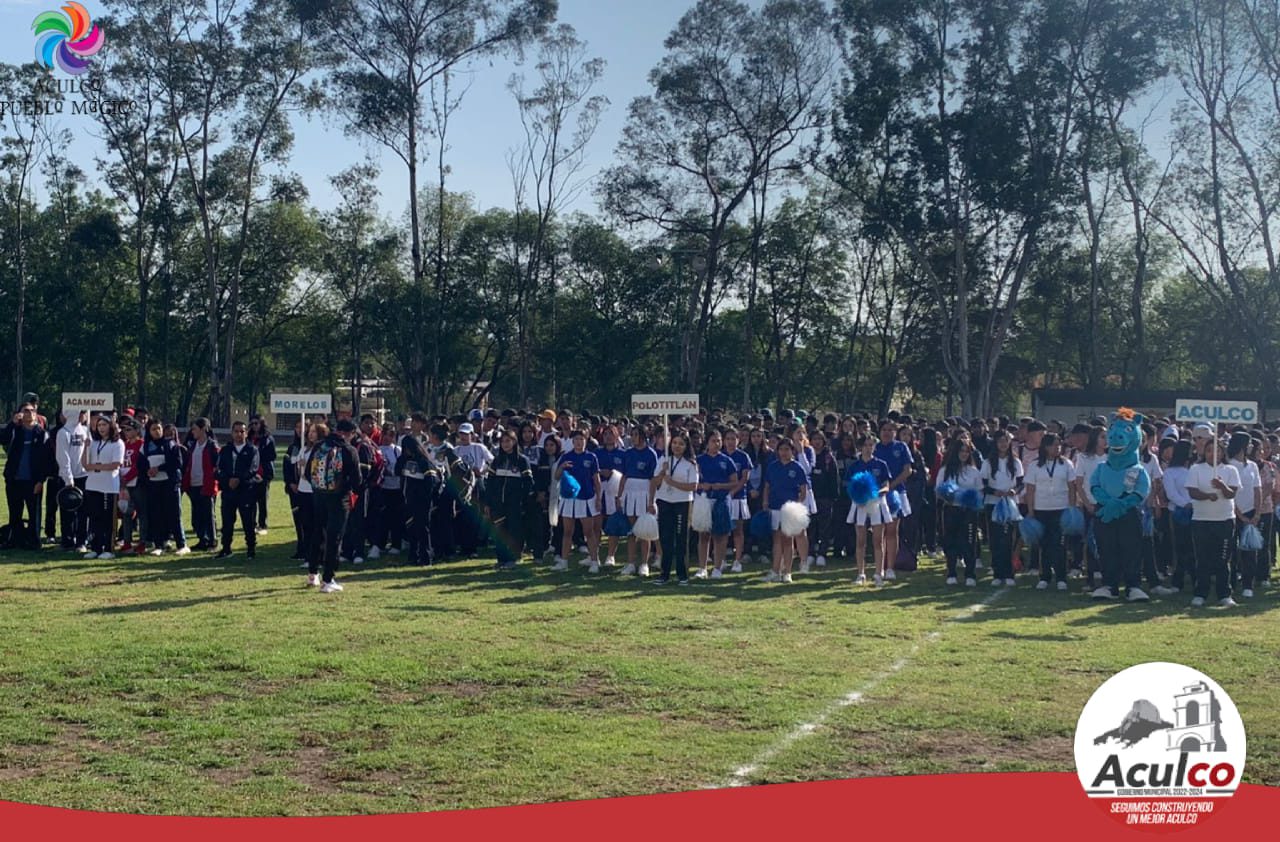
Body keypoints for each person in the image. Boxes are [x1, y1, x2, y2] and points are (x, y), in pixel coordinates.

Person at [304, 421, 361, 592]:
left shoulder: (319, 446)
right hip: (339, 498)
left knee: (317, 533)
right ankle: (328, 579)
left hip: (319, 496)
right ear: (349, 433)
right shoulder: (349, 450)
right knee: (334, 538)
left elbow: (307, 472)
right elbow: (357, 481)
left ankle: (313, 573)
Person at [1186, 427, 1239, 608]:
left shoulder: (1230, 469)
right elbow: (1192, 491)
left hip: (1224, 520)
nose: (1212, 454)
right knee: (1202, 558)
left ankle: (1224, 594)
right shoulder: (1196, 468)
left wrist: (1222, 486)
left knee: (1223, 559)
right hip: (1202, 520)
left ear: (1222, 452)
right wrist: (1207, 496)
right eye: (1209, 450)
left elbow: (1232, 493)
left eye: (1216, 451)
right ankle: (1201, 593)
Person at [1023, 433, 1077, 591]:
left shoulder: (1066, 464)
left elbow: (1072, 487)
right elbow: (1030, 489)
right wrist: (1031, 510)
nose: (1058, 447)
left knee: (1060, 544)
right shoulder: (1035, 465)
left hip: (1061, 508)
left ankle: (1061, 577)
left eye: (1059, 444)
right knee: (1044, 545)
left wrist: (1072, 507)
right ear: (1046, 447)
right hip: (1041, 509)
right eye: (1054, 445)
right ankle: (1044, 576)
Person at [651, 432, 699, 586]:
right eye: (675, 443)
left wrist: (673, 483)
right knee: (665, 538)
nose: (677, 446)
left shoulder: (690, 464)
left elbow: (693, 486)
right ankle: (664, 573)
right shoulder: (664, 459)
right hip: (665, 501)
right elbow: (655, 482)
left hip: (682, 503)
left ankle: (682, 574)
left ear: (686, 447)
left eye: (681, 444)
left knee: (681, 539)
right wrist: (662, 472)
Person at [693, 429, 741, 579]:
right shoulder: (699, 460)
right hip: (704, 501)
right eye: (713, 441)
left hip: (721, 501)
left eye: (719, 441)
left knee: (720, 535)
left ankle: (717, 568)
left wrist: (721, 485)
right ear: (707, 442)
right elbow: (692, 481)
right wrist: (702, 486)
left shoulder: (727, 460)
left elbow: (734, 482)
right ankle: (702, 568)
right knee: (703, 534)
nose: (717, 444)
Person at [2, 403, 50, 550]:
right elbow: (3, 439)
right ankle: (15, 540)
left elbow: (45, 460)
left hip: (33, 481)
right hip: (14, 480)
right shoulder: (15, 431)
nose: (29, 414)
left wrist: (41, 481)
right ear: (20, 414)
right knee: (15, 512)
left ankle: (34, 541)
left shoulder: (41, 434)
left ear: (36, 414)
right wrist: (12, 423)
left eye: (32, 411)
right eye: (25, 411)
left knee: (34, 513)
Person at [552, 429, 602, 572]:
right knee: (567, 531)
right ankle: (564, 561)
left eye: (582, 439)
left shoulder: (591, 457)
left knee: (589, 531)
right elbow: (556, 476)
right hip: (569, 499)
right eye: (576, 439)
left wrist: (598, 498)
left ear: (586, 441)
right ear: (572, 442)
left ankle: (594, 561)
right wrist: (562, 467)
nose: (579, 442)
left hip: (586, 498)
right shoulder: (566, 457)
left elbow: (596, 481)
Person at [847, 433, 892, 586]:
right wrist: (859, 498)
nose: (868, 448)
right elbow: (849, 486)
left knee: (878, 540)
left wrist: (878, 493)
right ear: (860, 447)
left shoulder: (881, 464)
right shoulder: (855, 466)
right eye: (865, 445)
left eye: (871, 445)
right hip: (859, 505)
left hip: (877, 504)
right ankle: (861, 573)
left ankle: (879, 573)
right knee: (860, 540)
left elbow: (886, 484)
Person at [485, 429, 534, 569]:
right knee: (500, 531)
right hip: (498, 503)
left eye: (508, 441)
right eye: (502, 441)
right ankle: (501, 559)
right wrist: (488, 503)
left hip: (515, 503)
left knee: (514, 530)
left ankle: (514, 558)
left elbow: (528, 483)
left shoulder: (522, 461)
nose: (505, 444)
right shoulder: (497, 461)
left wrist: (523, 500)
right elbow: (490, 483)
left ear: (514, 442)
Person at [937, 438, 982, 586]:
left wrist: (972, 500)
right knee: (951, 541)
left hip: (968, 511)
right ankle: (951, 572)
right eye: (961, 451)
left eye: (966, 451)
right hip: (950, 509)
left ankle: (970, 574)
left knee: (969, 541)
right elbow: (938, 490)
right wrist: (947, 495)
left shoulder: (974, 471)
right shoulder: (945, 470)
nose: (964, 454)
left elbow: (979, 491)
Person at [762, 439, 808, 584]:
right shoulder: (772, 467)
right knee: (776, 540)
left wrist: (796, 507)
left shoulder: (797, 467)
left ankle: (787, 572)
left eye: (787, 449)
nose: (784, 452)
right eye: (781, 449)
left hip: (789, 510)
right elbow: (767, 487)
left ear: (792, 451)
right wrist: (765, 501)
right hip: (775, 507)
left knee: (788, 540)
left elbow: (803, 490)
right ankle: (775, 570)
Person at [397, 414, 440, 568]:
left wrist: (428, 497)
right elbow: (398, 470)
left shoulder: (424, 460)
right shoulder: (404, 458)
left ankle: (425, 557)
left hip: (423, 497)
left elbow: (431, 479)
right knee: (411, 525)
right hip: (409, 494)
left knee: (423, 527)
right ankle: (412, 556)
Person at [982, 430, 1023, 587]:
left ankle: (1009, 572)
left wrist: (1013, 491)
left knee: (1008, 539)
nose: (1003, 444)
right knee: (995, 539)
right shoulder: (988, 462)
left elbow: (1021, 483)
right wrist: (994, 492)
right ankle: (997, 573)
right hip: (993, 503)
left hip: (1010, 504)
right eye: (1000, 441)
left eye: (1006, 441)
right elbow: (983, 484)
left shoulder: (1016, 462)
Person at [874, 420, 914, 581]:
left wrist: (891, 486)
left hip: (896, 494)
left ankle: (890, 567)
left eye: (891, 430)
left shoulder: (901, 447)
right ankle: (879, 566)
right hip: (876, 495)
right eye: (884, 429)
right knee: (878, 532)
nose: (887, 432)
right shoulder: (874, 447)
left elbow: (908, 470)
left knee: (892, 530)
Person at [617, 426, 659, 577]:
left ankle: (644, 564)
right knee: (632, 530)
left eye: (636, 435)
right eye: (632, 435)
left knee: (644, 530)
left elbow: (654, 479)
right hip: (630, 491)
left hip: (644, 491)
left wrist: (651, 500)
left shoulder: (651, 454)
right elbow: (624, 476)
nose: (633, 438)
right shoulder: (628, 453)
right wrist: (619, 496)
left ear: (642, 436)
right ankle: (630, 563)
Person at [215, 420, 260, 560]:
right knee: (227, 521)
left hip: (246, 491)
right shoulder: (225, 450)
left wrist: (239, 479)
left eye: (242, 431)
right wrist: (227, 480)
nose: (239, 434)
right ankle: (226, 548)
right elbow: (218, 470)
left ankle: (251, 550)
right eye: (236, 431)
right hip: (229, 491)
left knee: (248, 521)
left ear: (246, 433)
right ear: (232, 433)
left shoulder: (252, 450)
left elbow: (253, 469)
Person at [81, 415, 124, 559]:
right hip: (93, 485)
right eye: (99, 425)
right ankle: (96, 547)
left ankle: (109, 548)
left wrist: (97, 467)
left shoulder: (117, 443)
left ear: (110, 426)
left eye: (104, 425)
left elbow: (115, 464)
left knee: (108, 519)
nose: (101, 428)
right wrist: (85, 447)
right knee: (95, 517)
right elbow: (85, 464)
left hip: (109, 486)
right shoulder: (94, 443)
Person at [141, 418, 186, 557]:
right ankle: (158, 545)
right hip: (154, 485)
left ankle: (181, 544)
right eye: (154, 429)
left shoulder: (170, 444)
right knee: (156, 515)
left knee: (174, 514)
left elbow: (177, 462)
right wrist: (148, 471)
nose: (157, 431)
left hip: (170, 484)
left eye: (159, 428)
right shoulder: (145, 447)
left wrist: (159, 468)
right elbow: (140, 464)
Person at [1226, 431, 1263, 599]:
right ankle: (1231, 583)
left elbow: (1258, 489)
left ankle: (1248, 584)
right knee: (1232, 551)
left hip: (1251, 512)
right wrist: (1239, 515)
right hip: (1233, 513)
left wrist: (1257, 512)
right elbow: (1230, 493)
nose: (1250, 447)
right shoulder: (1229, 465)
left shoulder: (1253, 466)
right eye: (1248, 444)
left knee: (1250, 550)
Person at [54, 409, 89, 551]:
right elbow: (63, 456)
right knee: (67, 510)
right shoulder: (63, 433)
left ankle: (81, 541)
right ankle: (67, 541)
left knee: (83, 511)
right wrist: (68, 478)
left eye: (85, 413)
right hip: (69, 478)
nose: (84, 416)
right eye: (81, 413)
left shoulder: (86, 431)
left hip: (84, 475)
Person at [183, 418, 219, 551]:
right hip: (194, 484)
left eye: (194, 429)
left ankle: (212, 540)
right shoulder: (193, 445)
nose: (192, 432)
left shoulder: (212, 446)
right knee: (197, 513)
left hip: (207, 485)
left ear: (203, 429)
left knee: (208, 513)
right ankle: (202, 539)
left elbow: (217, 465)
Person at [369, 422, 403, 559]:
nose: (387, 438)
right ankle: (379, 544)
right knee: (381, 517)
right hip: (382, 488)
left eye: (391, 435)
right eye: (385, 434)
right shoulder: (377, 449)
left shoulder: (397, 450)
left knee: (396, 517)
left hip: (396, 487)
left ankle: (396, 544)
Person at [594, 424, 627, 568]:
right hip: (600, 489)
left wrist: (613, 473)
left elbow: (625, 473)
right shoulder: (597, 453)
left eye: (611, 433)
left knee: (614, 522)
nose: (608, 436)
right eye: (605, 434)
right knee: (597, 522)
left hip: (615, 491)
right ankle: (593, 555)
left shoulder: (623, 454)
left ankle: (610, 555)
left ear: (617, 435)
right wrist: (601, 472)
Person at [722, 429, 754, 572]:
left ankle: (737, 560)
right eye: (727, 439)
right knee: (721, 531)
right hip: (721, 497)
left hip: (738, 498)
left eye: (733, 439)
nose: (730, 442)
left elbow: (744, 478)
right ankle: (721, 560)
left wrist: (732, 492)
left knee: (738, 530)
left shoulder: (743, 456)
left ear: (738, 440)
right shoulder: (720, 456)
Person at [285, 421, 317, 564]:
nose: (302, 430)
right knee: (302, 522)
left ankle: (314, 554)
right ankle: (303, 550)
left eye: (306, 428)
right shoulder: (296, 448)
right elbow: (289, 465)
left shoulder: (318, 449)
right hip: (299, 491)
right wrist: (291, 481)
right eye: (298, 427)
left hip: (313, 491)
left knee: (314, 524)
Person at [247, 415, 276, 534]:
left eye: (256, 423)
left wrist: (258, 454)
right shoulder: (249, 437)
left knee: (262, 500)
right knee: (251, 500)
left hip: (263, 473)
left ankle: (262, 524)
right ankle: (252, 524)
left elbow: (272, 456)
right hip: (251, 474)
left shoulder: (268, 438)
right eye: (252, 423)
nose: (254, 426)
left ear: (262, 424)